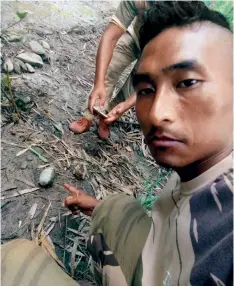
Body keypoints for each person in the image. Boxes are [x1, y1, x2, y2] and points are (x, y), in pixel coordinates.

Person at [1, 1, 233, 286]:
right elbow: (111, 36)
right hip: (157, 258)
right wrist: (98, 207)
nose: (158, 114)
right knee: (114, 207)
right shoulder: (198, 163)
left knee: (11, 260)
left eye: (187, 83)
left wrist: (124, 104)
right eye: (147, 90)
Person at [69, 1, 154, 139]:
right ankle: (88, 115)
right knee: (110, 69)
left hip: (154, 54)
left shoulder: (181, 19)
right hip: (134, 38)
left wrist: (126, 105)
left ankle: (107, 118)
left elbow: (155, 78)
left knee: (132, 88)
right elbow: (110, 36)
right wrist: (98, 83)